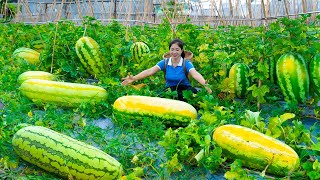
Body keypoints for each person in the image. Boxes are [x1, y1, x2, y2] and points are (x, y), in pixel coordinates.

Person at [121, 38, 212, 101]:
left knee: (186, 98)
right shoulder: (164, 62)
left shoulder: (186, 63)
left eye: (177, 49)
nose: (174, 52)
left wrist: (205, 84)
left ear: (181, 51)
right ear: (169, 50)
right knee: (160, 98)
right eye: (172, 49)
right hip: (170, 90)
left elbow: (195, 74)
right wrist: (134, 78)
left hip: (185, 90)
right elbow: (149, 71)